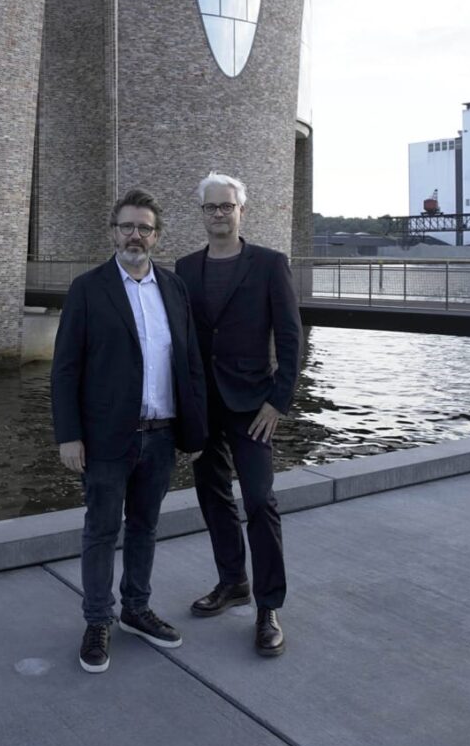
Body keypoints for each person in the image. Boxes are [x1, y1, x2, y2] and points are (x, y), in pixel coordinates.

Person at [51, 188, 207, 674]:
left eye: (144, 227)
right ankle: (98, 620)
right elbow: (66, 368)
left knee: (145, 527)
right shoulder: (88, 288)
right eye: (126, 226)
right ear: (113, 231)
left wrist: (195, 431)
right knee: (101, 530)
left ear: (156, 236)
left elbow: (190, 362)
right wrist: (69, 435)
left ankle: (136, 609)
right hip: (104, 438)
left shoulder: (175, 288)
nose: (134, 235)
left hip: (160, 435)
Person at [175, 172, 302, 657]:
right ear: (201, 213)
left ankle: (269, 607)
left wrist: (278, 401)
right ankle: (233, 582)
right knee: (211, 495)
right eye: (211, 207)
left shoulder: (270, 265)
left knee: (260, 501)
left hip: (254, 405)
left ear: (241, 210)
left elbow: (290, 338)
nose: (219, 214)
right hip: (203, 404)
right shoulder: (185, 269)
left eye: (227, 206)